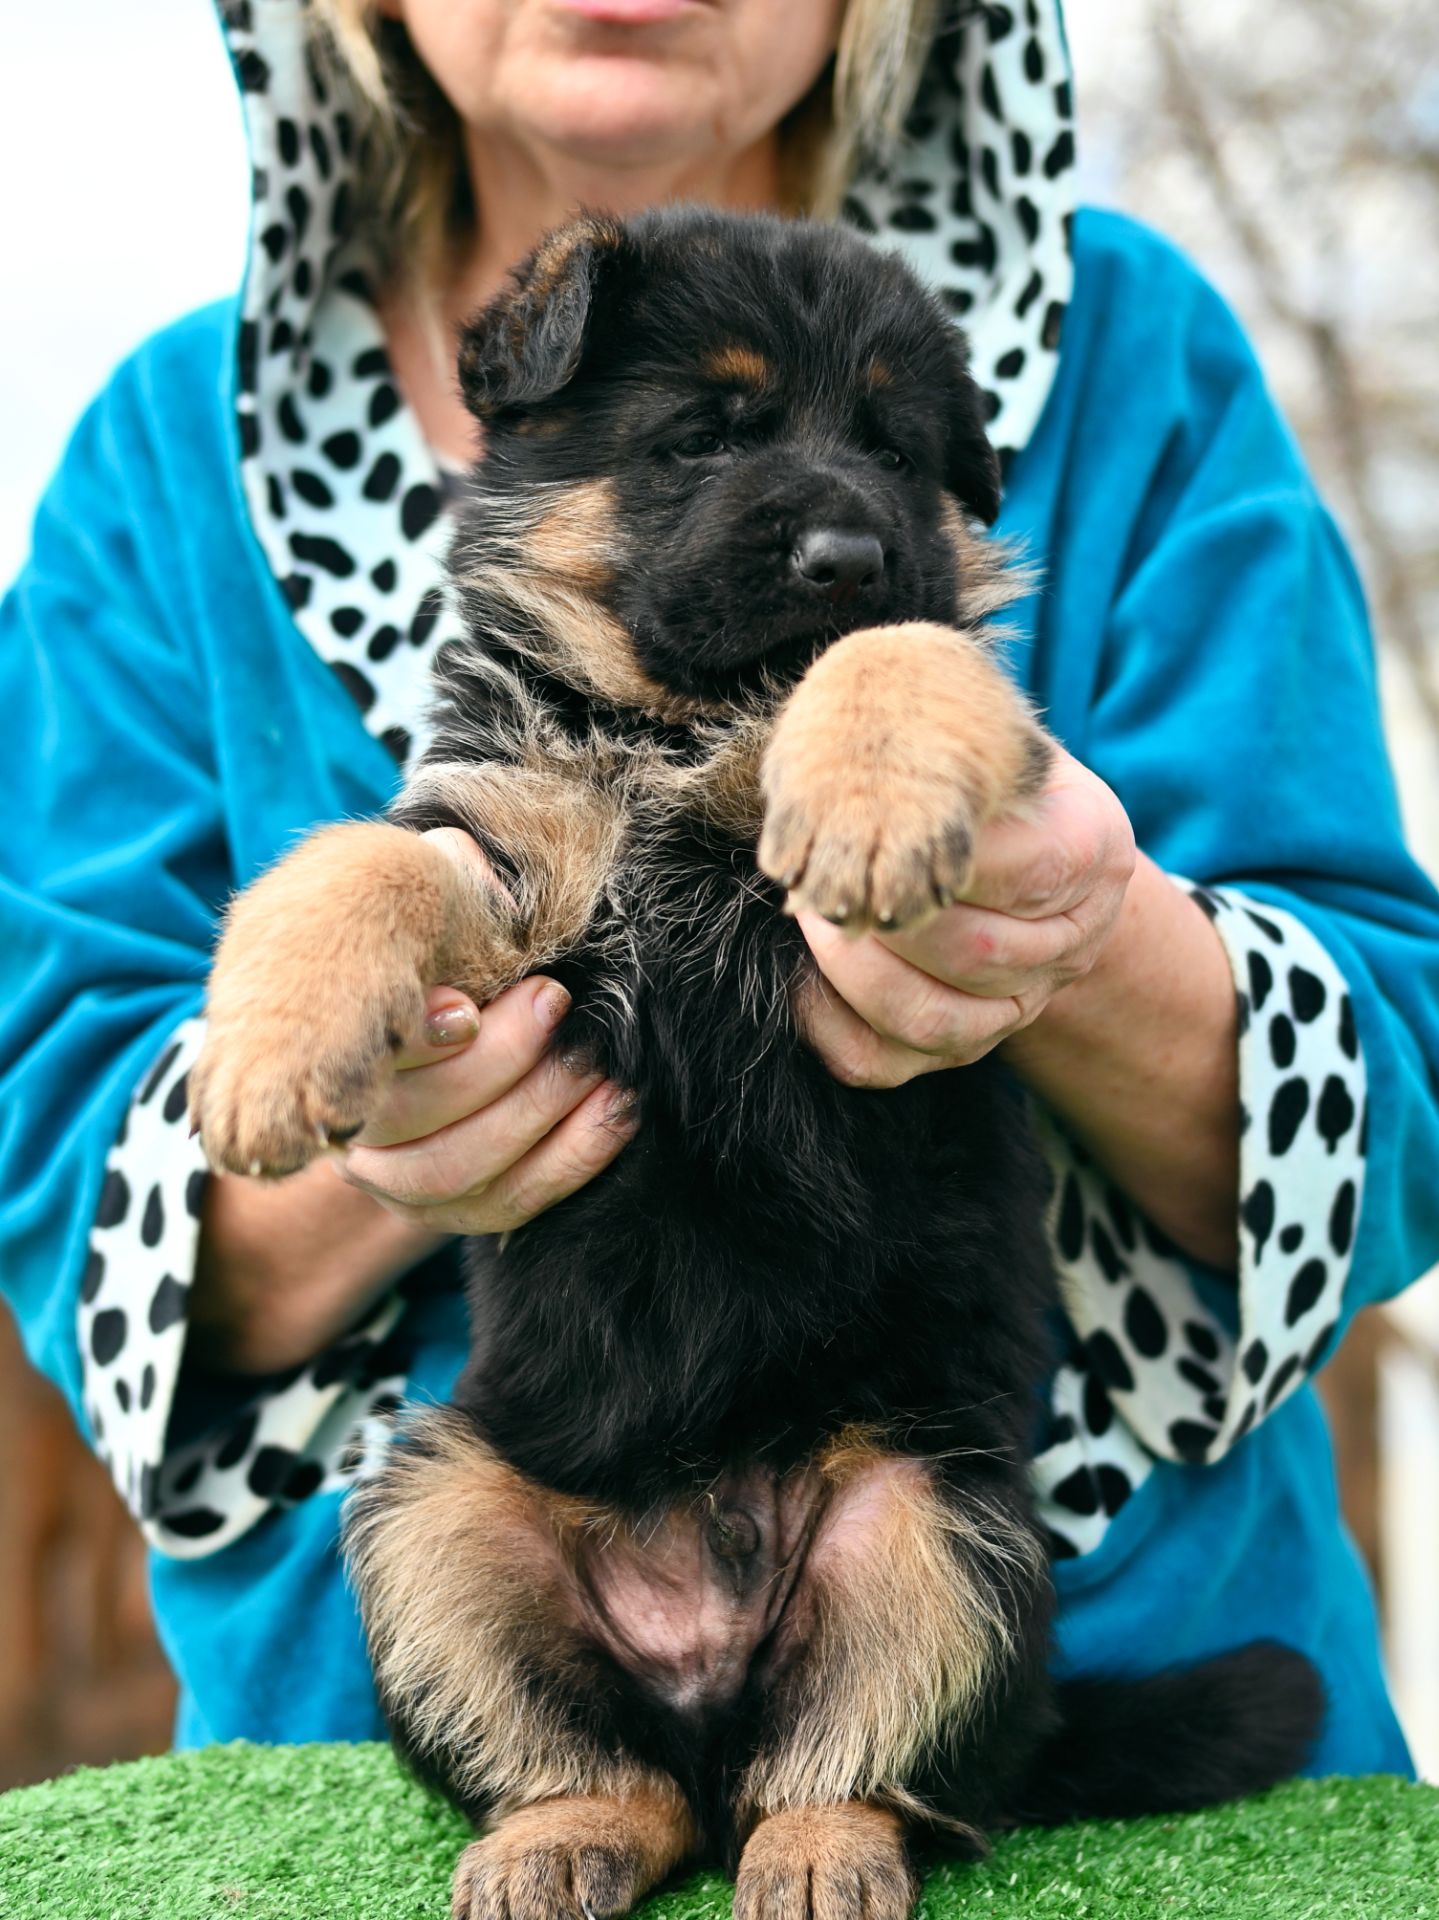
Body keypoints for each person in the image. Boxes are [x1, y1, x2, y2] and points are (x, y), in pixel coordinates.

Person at [2, 0, 1436, 1770]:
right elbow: (59, 1177)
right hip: (413, 1711)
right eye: (700, 441)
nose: (831, 525)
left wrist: (1078, 932)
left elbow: (1400, 1080)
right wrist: (385, 1110)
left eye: (888, 467)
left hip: (1010, 1591)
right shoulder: (159, 463)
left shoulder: (1136, 353)